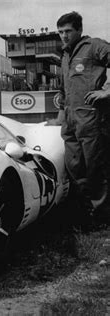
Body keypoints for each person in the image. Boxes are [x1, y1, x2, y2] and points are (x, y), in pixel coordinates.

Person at [49, 11, 110, 221]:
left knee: (96, 166)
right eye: (60, 32)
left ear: (79, 30)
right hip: (71, 121)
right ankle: (86, 210)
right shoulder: (65, 55)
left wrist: (107, 90)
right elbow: (65, 89)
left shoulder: (94, 46)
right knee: (74, 166)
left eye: (68, 31)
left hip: (91, 119)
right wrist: (61, 115)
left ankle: (102, 214)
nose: (63, 36)